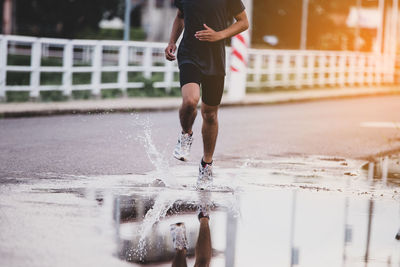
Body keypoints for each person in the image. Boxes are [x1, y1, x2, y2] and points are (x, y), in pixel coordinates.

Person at [165, 0, 249, 190]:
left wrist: (219, 35)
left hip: (214, 59)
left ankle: (206, 165)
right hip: (189, 54)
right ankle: (186, 134)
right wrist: (172, 42)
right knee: (190, 101)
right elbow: (180, 16)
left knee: (210, 114)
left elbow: (243, 22)